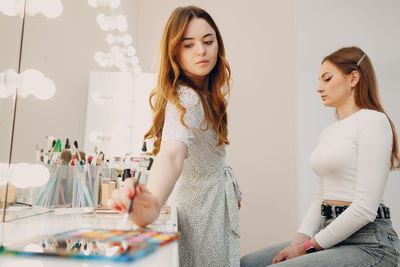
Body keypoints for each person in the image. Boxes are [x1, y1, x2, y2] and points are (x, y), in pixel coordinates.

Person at [241, 46, 400, 266]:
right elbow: (320, 200)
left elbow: (364, 209)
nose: (318, 88)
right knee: (249, 263)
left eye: (327, 78)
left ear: (353, 78)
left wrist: (307, 248)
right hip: (330, 232)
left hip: (371, 243)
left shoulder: (373, 121)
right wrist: (297, 244)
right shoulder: (329, 132)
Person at [108, 6, 242, 267]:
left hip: (209, 207)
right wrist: (154, 201)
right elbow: (171, 155)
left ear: (218, 44)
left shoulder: (207, 95)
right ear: (175, 53)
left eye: (208, 41)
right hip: (200, 214)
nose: (201, 51)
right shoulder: (186, 97)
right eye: (188, 45)